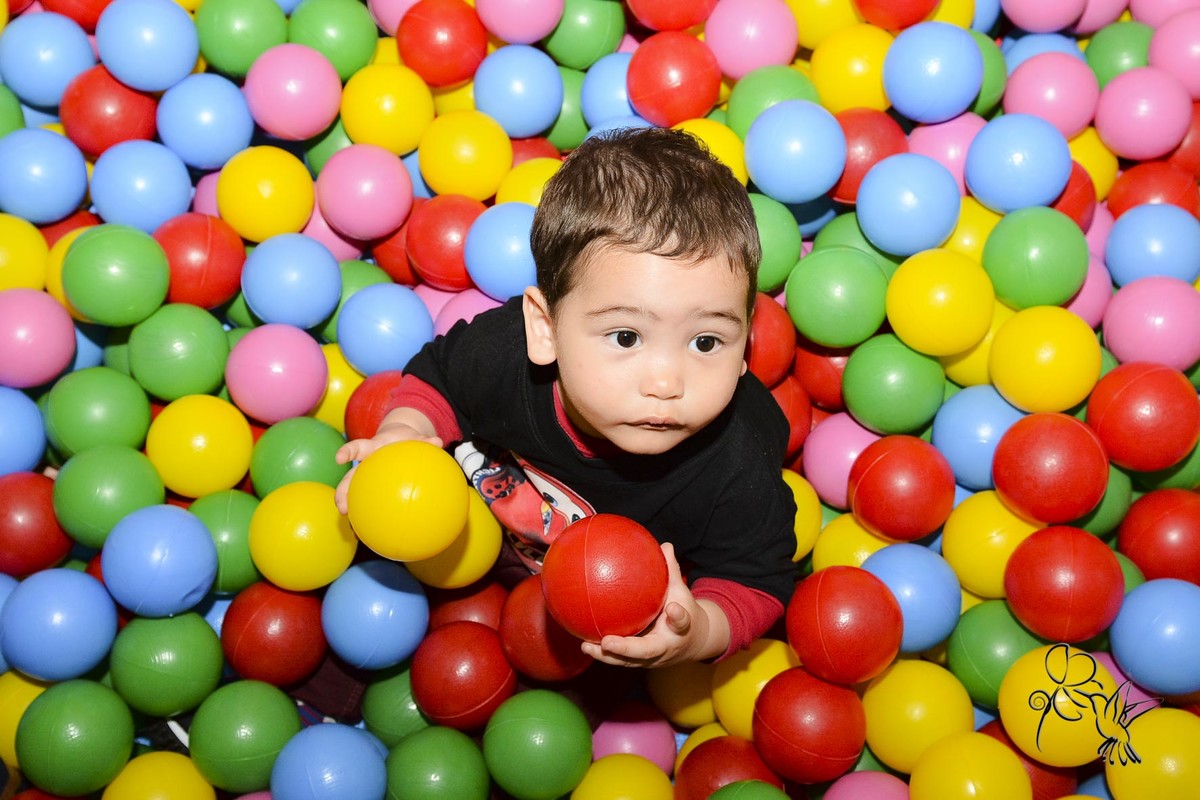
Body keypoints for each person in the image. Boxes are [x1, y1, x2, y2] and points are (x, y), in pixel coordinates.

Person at [335, 125, 798, 668]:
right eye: (626, 337)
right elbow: (438, 375)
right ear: (545, 330)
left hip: (623, 630)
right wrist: (403, 433)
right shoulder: (502, 358)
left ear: (746, 343)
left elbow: (757, 579)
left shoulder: (738, 465)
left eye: (706, 341)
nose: (667, 381)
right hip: (462, 555)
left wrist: (694, 636)